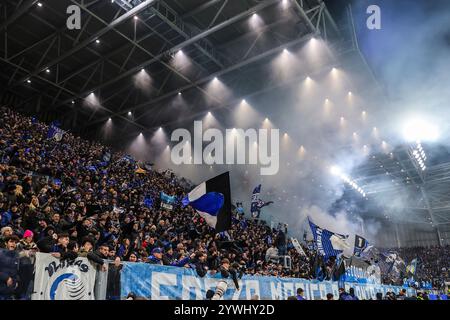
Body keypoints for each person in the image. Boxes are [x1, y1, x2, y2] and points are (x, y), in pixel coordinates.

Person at [0, 235, 20, 299]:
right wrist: (6, 278)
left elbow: (16, 270)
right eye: (11, 242)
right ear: (6, 243)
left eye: (15, 242)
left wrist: (16, 281)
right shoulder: (0, 253)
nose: (13, 244)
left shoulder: (17, 255)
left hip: (10, 290)